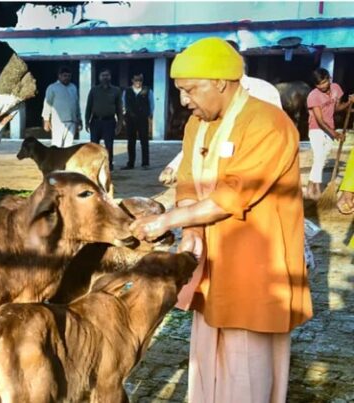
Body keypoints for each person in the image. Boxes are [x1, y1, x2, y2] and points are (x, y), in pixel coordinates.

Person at [130, 37, 313, 403]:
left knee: (247, 359)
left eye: (191, 90)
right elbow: (186, 182)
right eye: (180, 91)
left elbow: (232, 194)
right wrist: (191, 230)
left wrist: (169, 221)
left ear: (221, 82)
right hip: (214, 262)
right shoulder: (197, 126)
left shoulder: (268, 123)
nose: (184, 100)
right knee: (207, 351)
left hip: (256, 262)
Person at [158, 40, 283, 185]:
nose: (184, 101)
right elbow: (198, 143)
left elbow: (270, 144)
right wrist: (173, 166)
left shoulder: (262, 91)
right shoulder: (202, 107)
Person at [306, 68, 354, 200]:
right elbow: (320, 121)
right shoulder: (313, 96)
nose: (322, 86)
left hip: (330, 128)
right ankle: (315, 189)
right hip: (316, 129)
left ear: (329, 78)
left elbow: (337, 108)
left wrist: (349, 102)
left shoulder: (336, 88)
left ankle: (310, 187)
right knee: (319, 156)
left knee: (323, 156)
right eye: (318, 84)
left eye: (324, 82)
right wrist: (335, 134)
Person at [85, 68, 123, 170]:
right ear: (99, 77)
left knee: (109, 146)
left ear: (110, 77)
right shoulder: (94, 90)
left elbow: (119, 109)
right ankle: (94, 165)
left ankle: (108, 165)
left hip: (109, 122)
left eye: (107, 75)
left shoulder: (116, 90)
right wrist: (86, 122)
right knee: (94, 146)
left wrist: (119, 124)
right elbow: (88, 107)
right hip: (95, 121)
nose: (105, 77)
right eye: (103, 75)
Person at [41, 66, 82, 147]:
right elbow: (47, 104)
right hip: (58, 122)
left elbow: (76, 104)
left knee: (69, 146)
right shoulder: (52, 87)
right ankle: (55, 160)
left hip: (72, 121)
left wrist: (79, 119)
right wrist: (46, 120)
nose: (67, 78)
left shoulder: (73, 87)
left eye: (69, 76)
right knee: (57, 145)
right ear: (59, 76)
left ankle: (67, 160)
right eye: (64, 76)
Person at [122, 73, 154, 170]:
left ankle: (145, 163)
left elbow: (151, 103)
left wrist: (149, 114)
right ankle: (130, 163)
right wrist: (124, 116)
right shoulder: (127, 91)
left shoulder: (147, 91)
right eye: (136, 80)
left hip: (142, 119)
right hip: (130, 119)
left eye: (140, 80)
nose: (138, 82)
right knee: (131, 142)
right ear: (132, 80)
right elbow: (123, 104)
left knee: (144, 141)